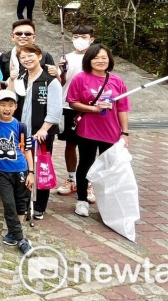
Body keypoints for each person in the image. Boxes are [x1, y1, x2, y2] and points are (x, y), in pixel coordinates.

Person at [67, 44, 130, 218]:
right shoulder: (80, 78)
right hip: (87, 130)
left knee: (108, 168)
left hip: (111, 131)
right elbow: (72, 102)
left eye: (104, 57)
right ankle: (82, 200)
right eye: (96, 58)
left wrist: (125, 133)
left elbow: (122, 108)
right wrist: (93, 108)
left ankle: (106, 203)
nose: (100, 61)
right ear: (89, 60)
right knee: (86, 164)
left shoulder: (117, 80)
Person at [8, 44, 62, 220]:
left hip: (41, 134)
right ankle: (23, 202)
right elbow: (8, 99)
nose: (27, 59)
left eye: (30, 55)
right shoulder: (21, 78)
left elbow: (55, 109)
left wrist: (44, 129)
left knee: (40, 167)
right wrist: (11, 80)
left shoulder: (50, 80)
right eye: (23, 57)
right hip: (20, 132)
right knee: (22, 167)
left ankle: (39, 205)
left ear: (39, 56)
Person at [0, 90, 34, 254]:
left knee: (21, 202)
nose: (6, 108)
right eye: (3, 105)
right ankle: (22, 239)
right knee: (8, 203)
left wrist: (31, 172)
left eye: (10, 105)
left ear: (16, 107)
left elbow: (27, 150)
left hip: (21, 169)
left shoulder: (21, 126)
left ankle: (14, 233)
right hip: (1, 171)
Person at [55, 25, 96, 202]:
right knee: (70, 145)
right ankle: (72, 178)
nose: (80, 39)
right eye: (76, 36)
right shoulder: (67, 58)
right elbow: (61, 82)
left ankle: (87, 182)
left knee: (89, 148)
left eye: (84, 36)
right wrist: (61, 72)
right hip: (68, 106)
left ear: (91, 39)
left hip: (89, 109)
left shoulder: (96, 58)